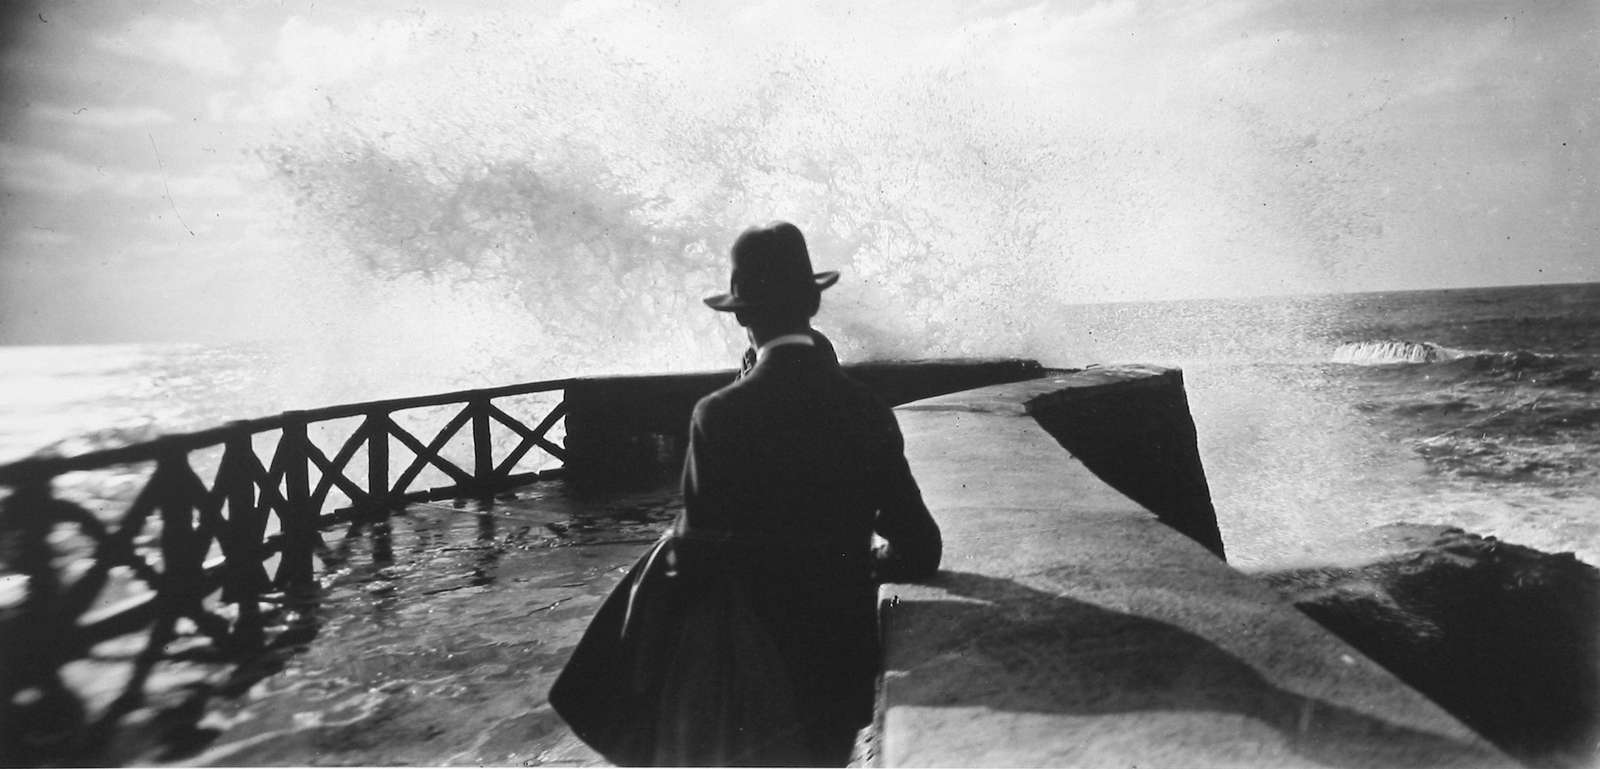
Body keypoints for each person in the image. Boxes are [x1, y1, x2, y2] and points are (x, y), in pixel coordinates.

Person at [549, 221, 941, 767]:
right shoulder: (866, 409)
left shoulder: (719, 415)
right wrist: (864, 561)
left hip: (748, 675)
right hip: (838, 670)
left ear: (742, 315)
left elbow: (694, 559)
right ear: (812, 304)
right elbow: (921, 546)